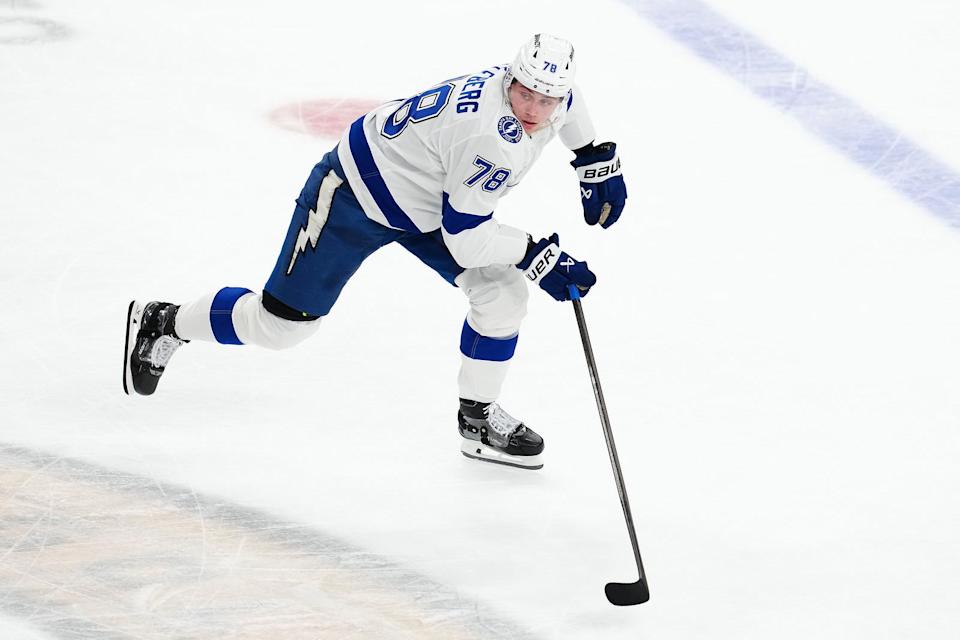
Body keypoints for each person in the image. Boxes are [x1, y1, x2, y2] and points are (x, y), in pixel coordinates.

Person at [123, 33, 627, 471]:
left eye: (546, 99)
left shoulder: (547, 93)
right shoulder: (489, 138)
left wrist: (592, 156)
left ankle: (477, 420)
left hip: (430, 199)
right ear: (510, 80)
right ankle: (164, 322)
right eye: (525, 94)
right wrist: (537, 256)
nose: (534, 109)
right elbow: (468, 240)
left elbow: (568, 102)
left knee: (501, 294)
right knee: (280, 327)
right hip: (356, 196)